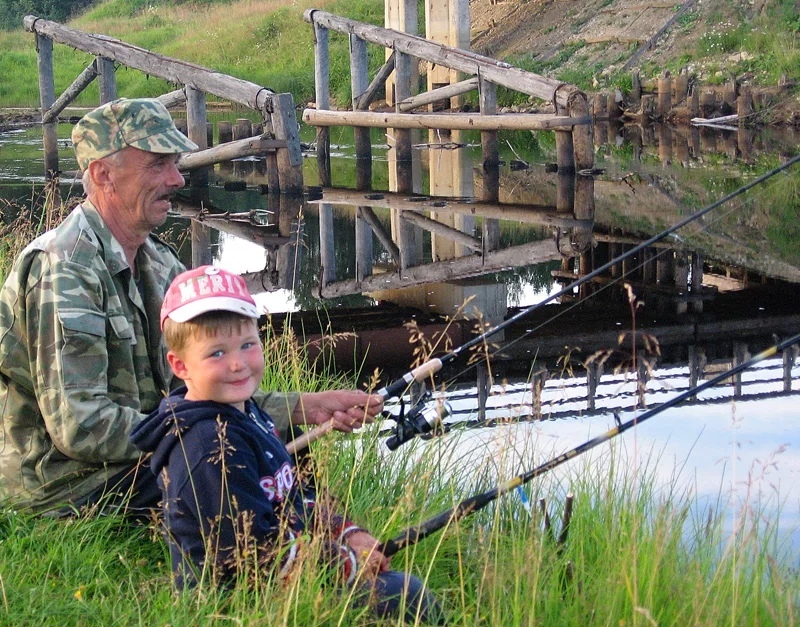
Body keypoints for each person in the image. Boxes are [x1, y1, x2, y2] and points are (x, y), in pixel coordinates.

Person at [0, 98, 381, 516]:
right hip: (68, 484)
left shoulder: (159, 262)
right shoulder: (64, 271)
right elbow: (81, 427)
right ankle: (263, 561)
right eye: (157, 165)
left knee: (269, 442)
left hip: (137, 456)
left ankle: (320, 551)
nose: (178, 179)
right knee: (227, 455)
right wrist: (207, 430)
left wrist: (301, 407)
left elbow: (194, 390)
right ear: (103, 174)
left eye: (175, 163)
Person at [130, 266, 442, 623]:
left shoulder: (247, 413)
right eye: (216, 353)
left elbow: (289, 499)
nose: (237, 364)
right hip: (237, 605)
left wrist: (346, 532)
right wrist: (348, 563)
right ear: (180, 365)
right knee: (407, 594)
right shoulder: (208, 448)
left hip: (281, 575)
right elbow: (254, 554)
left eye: (247, 345)